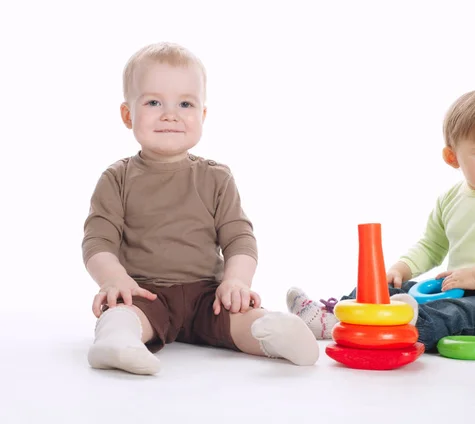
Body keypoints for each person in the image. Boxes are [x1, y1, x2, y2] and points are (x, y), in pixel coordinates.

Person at [82, 42, 319, 375]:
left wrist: (235, 282)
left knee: (237, 317)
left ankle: (277, 335)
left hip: (209, 295)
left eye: (185, 103)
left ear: (202, 115)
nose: (170, 114)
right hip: (146, 293)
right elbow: (98, 241)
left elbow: (239, 238)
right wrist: (115, 280)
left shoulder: (216, 178)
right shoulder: (117, 178)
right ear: (127, 114)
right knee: (123, 313)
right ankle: (117, 342)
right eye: (153, 102)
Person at [287, 89, 475, 351]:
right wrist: (401, 269)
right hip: (456, 288)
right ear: (453, 158)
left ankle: (397, 330)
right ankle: (333, 317)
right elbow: (431, 245)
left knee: (454, 312)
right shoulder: (451, 199)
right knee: (387, 288)